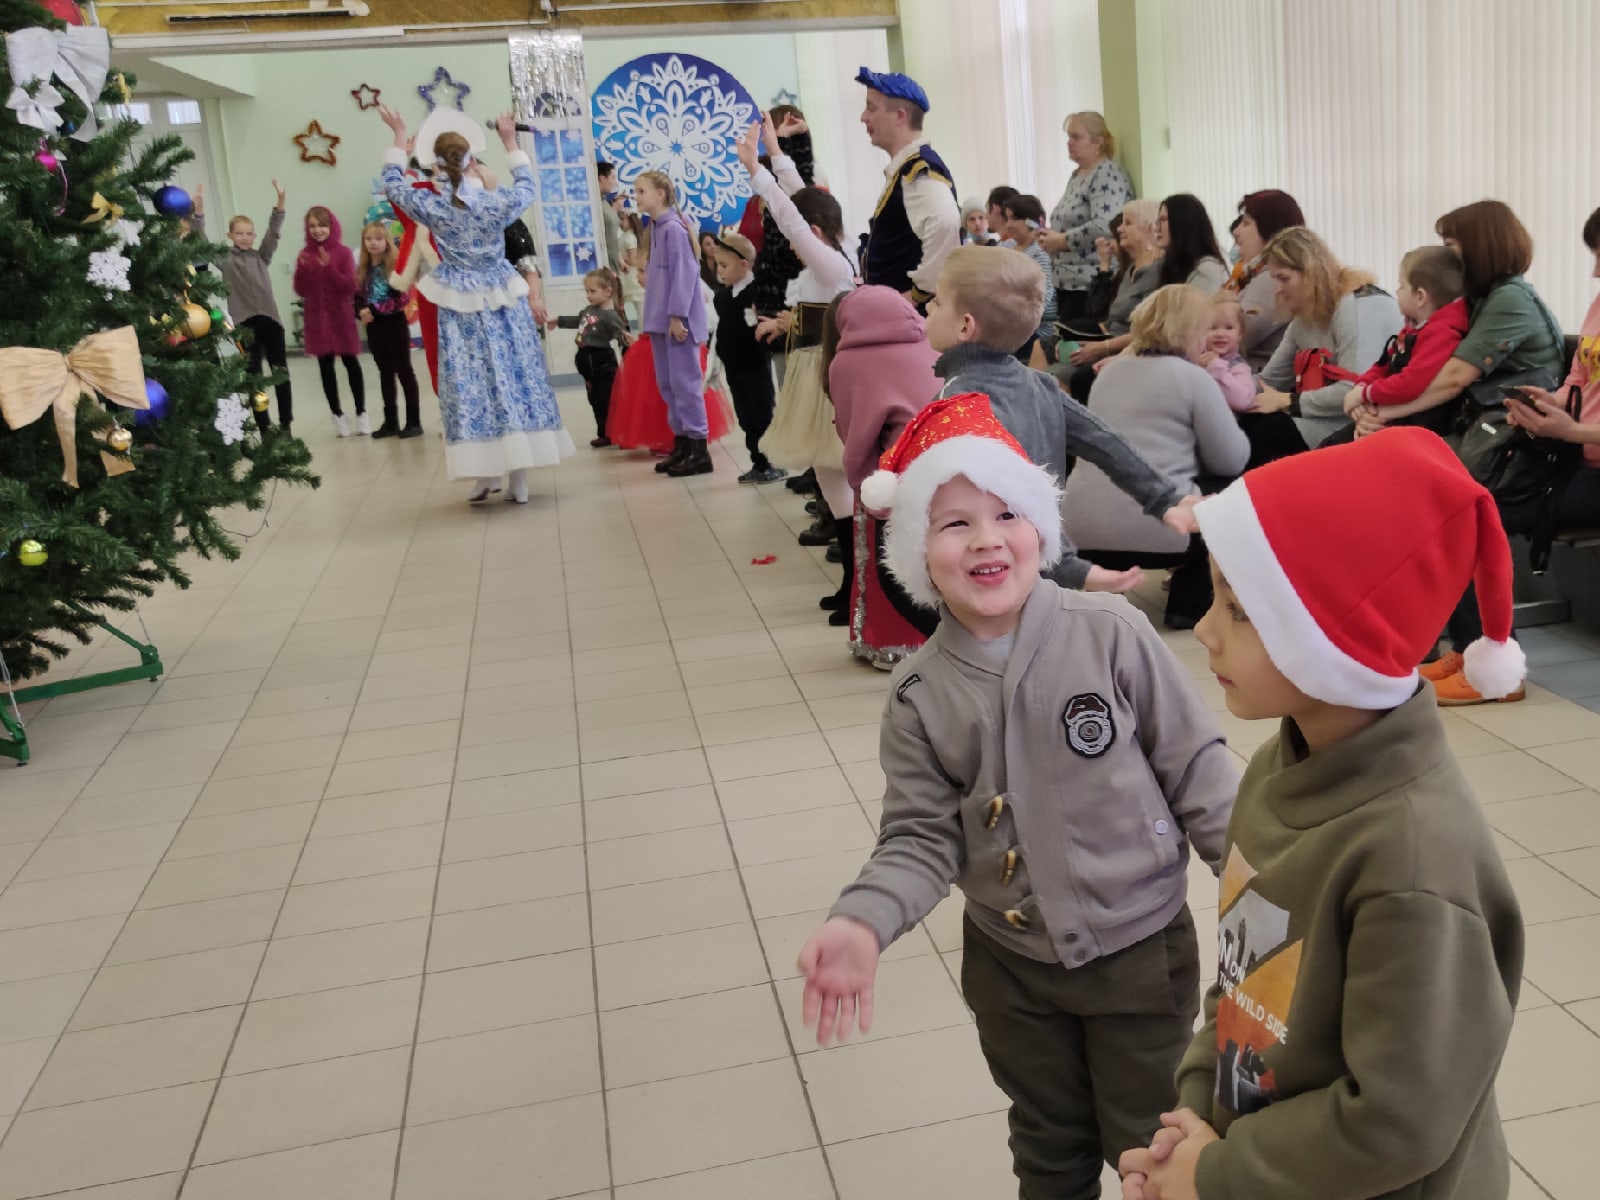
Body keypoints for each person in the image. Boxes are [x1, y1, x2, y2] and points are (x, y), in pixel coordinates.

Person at [802, 393, 1237, 1200]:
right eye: (954, 523)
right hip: (1012, 973)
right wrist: (863, 917)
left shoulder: (1110, 632)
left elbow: (1198, 773)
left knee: (1153, 1143)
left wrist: (1265, 882)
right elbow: (919, 838)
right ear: (916, 554)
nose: (987, 539)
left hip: (1139, 954)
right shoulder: (919, 695)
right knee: (1046, 1139)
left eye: (1007, 513)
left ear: (1041, 526)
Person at [1119, 428, 1524, 1200]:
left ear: (1335, 641)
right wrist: (1193, 1113)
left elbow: (1397, 1123)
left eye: (1238, 609)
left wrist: (1215, 1173)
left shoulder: (1411, 860)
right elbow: (1244, 983)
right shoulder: (1280, 766)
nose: (1204, 627)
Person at [1354, 201, 1564, 706]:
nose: (1449, 258)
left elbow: (1453, 378)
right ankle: (1469, 648)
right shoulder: (1490, 298)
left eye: (1453, 246)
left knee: (1451, 515)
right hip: (1496, 440)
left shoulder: (1509, 299)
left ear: (1480, 246)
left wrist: (1383, 412)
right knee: (1421, 503)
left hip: (1525, 451)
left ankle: (1492, 663)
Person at [928, 245, 1203, 596]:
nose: (927, 308)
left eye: (936, 302)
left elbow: (1016, 491)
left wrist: (1068, 565)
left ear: (966, 325)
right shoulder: (1038, 384)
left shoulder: (959, 400)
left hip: (991, 573)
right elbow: (1106, 441)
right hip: (1037, 565)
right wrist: (1164, 498)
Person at [378, 106, 574, 503]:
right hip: (503, 300)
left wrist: (398, 136)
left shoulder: (435, 206)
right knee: (511, 380)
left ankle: (493, 472)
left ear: (438, 164)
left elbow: (392, 184)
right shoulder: (494, 202)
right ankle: (508, 475)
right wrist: (509, 141)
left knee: (472, 386)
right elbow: (527, 186)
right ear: (471, 160)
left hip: (461, 305)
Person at [1063, 286, 1251, 628]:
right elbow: (1231, 460)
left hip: (1081, 528)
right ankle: (1189, 602)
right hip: (1163, 529)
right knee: (1231, 488)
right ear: (1191, 332)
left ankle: (1110, 592)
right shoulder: (1193, 377)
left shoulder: (1109, 374)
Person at [735, 119, 858, 589]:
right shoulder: (834, 253)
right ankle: (850, 580)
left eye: (796, 235)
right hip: (815, 373)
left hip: (827, 378)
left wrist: (756, 172)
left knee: (841, 482)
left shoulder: (832, 263)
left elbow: (791, 213)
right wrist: (773, 149)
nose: (789, 244)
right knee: (829, 481)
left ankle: (856, 582)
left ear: (813, 231)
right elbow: (801, 194)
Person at [822, 286, 940, 663]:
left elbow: (855, 433)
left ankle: (891, 643)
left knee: (888, 559)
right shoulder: (931, 344)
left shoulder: (847, 363)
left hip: (892, 471)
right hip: (948, 460)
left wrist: (862, 480)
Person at [1245, 227, 1401, 461]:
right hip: (1325, 415)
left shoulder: (1358, 304)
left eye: (1283, 278)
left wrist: (1288, 401)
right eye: (1274, 278)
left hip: (1363, 420)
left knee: (1266, 436)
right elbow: (1270, 380)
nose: (1276, 289)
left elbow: (1354, 389)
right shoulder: (1307, 314)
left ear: (1310, 272)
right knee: (1246, 423)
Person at [856, 67, 960, 308]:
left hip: (911, 324)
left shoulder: (919, 170)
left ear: (900, 116)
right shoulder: (906, 168)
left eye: (872, 108)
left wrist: (917, 295)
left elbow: (945, 223)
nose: (864, 117)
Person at [194, 180, 292, 434]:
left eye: (249, 233)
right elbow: (201, 239)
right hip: (245, 325)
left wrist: (280, 201)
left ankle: (286, 423)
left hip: (271, 321)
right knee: (253, 376)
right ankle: (263, 424)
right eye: (240, 233)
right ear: (230, 236)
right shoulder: (225, 259)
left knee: (280, 372)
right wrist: (199, 212)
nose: (245, 238)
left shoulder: (262, 256)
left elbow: (275, 231)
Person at [633, 169, 714, 477]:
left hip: (676, 321)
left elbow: (685, 273)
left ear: (661, 194)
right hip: (660, 319)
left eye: (642, 191)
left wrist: (677, 314)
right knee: (669, 386)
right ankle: (682, 444)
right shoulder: (656, 228)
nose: (637, 197)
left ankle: (698, 448)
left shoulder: (674, 230)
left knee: (686, 385)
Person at [1340, 245, 1470, 426]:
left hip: (1416, 425)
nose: (1397, 291)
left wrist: (1364, 394)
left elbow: (1410, 383)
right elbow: (1382, 365)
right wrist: (1361, 387)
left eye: (1401, 286)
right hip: (1390, 414)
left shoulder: (1442, 335)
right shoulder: (1412, 328)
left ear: (1420, 296)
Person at [1038, 111, 1134, 323]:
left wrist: (1062, 240)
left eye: (1076, 137)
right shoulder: (1077, 175)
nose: (1069, 143)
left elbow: (1105, 224)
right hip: (1066, 279)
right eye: (1068, 137)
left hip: (1089, 281)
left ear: (1098, 142)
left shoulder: (1106, 174)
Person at [707, 230, 786, 484]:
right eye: (717, 265)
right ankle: (757, 462)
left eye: (724, 265)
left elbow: (762, 325)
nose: (719, 271)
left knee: (762, 414)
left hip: (755, 366)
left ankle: (771, 462)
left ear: (744, 265)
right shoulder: (722, 297)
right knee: (746, 418)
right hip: (735, 368)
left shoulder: (755, 293)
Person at [1063, 199, 1165, 396]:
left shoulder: (1157, 272)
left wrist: (1102, 346)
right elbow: (1102, 317)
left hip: (1129, 348)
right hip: (1109, 339)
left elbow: (1148, 331)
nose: (1119, 229)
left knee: (1068, 375)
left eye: (1128, 223)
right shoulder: (1130, 269)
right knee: (1051, 347)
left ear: (1150, 228)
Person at [293, 205, 368, 437]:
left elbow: (349, 287)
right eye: (312, 226)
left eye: (322, 225)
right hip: (316, 318)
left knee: (351, 363)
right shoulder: (305, 254)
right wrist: (303, 271)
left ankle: (361, 413)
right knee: (325, 368)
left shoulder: (343, 253)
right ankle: (337, 415)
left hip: (340, 317)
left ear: (331, 226)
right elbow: (300, 289)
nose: (318, 231)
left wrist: (329, 269)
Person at [354, 221, 422, 440]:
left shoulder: (395, 266)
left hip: (394, 324)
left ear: (386, 241)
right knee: (385, 372)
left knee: (404, 370)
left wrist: (373, 309)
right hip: (374, 327)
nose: (373, 243)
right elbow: (356, 297)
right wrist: (361, 310)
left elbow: (403, 298)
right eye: (369, 239)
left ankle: (414, 421)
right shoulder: (363, 269)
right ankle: (390, 421)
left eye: (378, 239)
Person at [550, 267, 631, 449]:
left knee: (608, 399)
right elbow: (578, 320)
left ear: (608, 291)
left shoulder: (610, 316)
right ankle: (603, 432)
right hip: (588, 362)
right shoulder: (589, 309)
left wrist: (627, 342)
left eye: (593, 291)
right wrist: (559, 320)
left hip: (601, 360)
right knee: (595, 400)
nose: (588, 295)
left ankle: (619, 432)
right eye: (587, 291)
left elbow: (621, 334)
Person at [1223, 190, 1305, 370]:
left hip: (1255, 384)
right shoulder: (1252, 274)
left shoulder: (1272, 278)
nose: (1236, 232)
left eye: (1246, 223)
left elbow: (1230, 339)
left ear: (1269, 228)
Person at [1000, 193, 1058, 360]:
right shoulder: (1006, 246)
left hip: (1035, 328)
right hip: (1008, 321)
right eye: (1007, 218)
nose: (1008, 224)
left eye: (1014, 219)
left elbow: (1043, 297)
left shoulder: (1040, 252)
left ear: (1031, 221)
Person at [1156, 194, 1229, 294]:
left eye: (1163, 220)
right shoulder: (1173, 266)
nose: (1157, 228)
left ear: (1182, 224)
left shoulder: (1206, 270)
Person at [1200, 296, 1256, 412]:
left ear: (1240, 334)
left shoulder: (1238, 367)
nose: (1220, 333)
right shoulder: (1195, 358)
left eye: (1229, 328)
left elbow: (1243, 401)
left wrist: (1216, 367)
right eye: (1212, 327)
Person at [596, 160, 623, 271]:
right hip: (604, 269)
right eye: (613, 178)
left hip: (613, 266)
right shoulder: (594, 205)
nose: (615, 183)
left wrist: (619, 259)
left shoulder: (604, 202)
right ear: (602, 178)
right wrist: (614, 210)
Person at [986, 185, 1020, 249]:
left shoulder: (1004, 249)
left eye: (987, 209)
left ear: (995, 209)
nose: (986, 216)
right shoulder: (1022, 244)